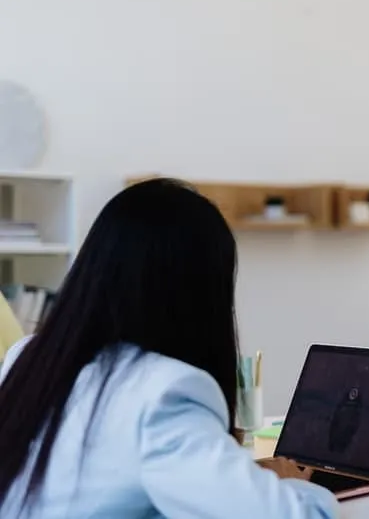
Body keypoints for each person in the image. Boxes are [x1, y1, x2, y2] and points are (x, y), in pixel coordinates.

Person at [0, 178, 338, 518]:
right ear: (200, 295)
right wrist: (294, 486)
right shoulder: (164, 393)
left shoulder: (29, 357)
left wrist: (242, 481)